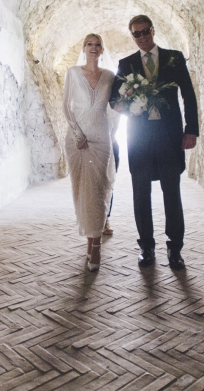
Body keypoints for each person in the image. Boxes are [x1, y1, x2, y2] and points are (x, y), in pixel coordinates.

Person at [109, 15, 199, 270]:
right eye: (136, 34)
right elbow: (114, 100)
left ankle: (175, 249)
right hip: (139, 140)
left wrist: (191, 129)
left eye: (145, 31)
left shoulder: (175, 57)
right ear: (132, 37)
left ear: (153, 30)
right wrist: (130, 109)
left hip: (169, 137)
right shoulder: (125, 64)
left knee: (172, 194)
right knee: (141, 194)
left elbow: (189, 95)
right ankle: (146, 247)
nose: (142, 37)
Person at [62, 34, 117, 271]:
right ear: (83, 48)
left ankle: (96, 245)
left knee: (99, 189)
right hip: (78, 140)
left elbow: (114, 109)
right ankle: (91, 241)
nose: (93, 48)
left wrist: (110, 132)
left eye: (97, 45)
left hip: (101, 139)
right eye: (89, 44)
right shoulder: (73, 73)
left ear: (102, 49)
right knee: (82, 192)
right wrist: (77, 134)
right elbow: (66, 106)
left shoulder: (110, 76)